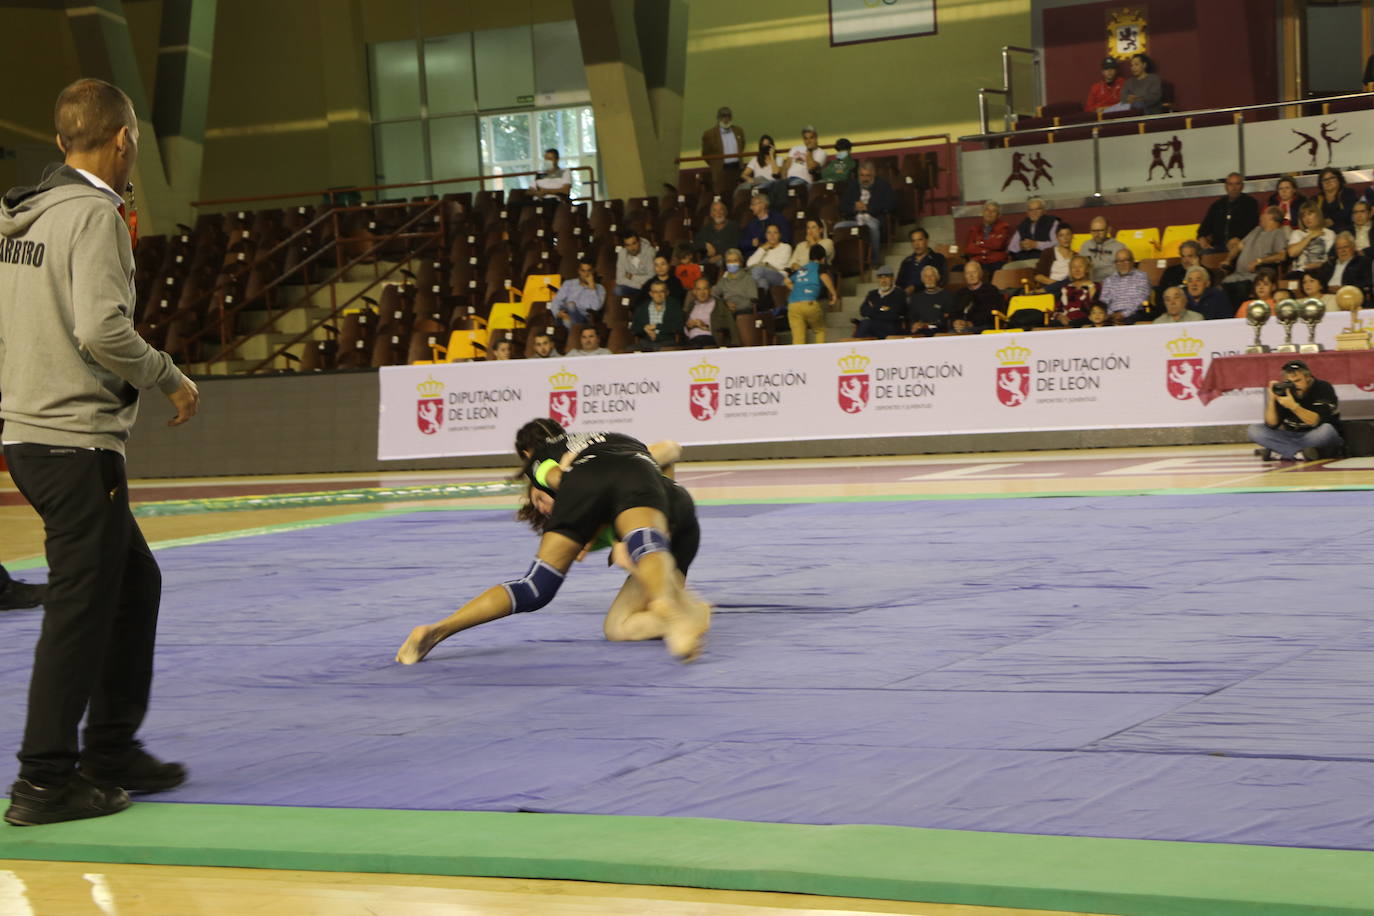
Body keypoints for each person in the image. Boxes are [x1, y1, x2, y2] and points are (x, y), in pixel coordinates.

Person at [0, 78, 201, 827]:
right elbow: (102, 330)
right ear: (124, 141)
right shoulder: (94, 217)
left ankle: (111, 749)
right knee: (80, 611)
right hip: (75, 443)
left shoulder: (22, 216)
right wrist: (171, 379)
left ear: (61, 141)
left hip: (28, 433)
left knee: (132, 585)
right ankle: (45, 780)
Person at [396, 421, 708, 664]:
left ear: (528, 457)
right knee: (645, 544)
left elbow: (559, 479)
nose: (544, 507)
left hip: (592, 481)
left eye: (539, 499)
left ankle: (438, 631)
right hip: (637, 474)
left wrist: (568, 479)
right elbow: (666, 452)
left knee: (536, 586)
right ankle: (669, 605)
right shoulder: (616, 439)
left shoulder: (541, 463)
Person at [515, 443, 706, 646]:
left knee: (618, 626)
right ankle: (681, 610)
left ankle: (683, 611)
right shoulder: (573, 521)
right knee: (623, 622)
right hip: (671, 531)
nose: (543, 508)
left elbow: (670, 448)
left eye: (540, 498)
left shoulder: (594, 483)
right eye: (537, 507)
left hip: (668, 527)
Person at [1249, 360, 1343, 461]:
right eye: (1290, 382)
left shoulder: (1323, 387)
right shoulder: (1285, 390)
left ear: (1308, 377)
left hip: (1315, 433)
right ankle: (1301, 454)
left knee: (1326, 430)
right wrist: (1272, 399)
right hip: (1291, 435)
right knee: (1255, 430)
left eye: (1298, 381)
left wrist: (1293, 406)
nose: (1294, 385)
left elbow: (1315, 421)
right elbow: (1271, 424)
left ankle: (1279, 452)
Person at [1220, 206, 1289, 306]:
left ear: (1271, 217)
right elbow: (1239, 247)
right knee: (1221, 290)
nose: (1260, 216)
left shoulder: (1278, 233)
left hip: (1256, 276)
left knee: (1241, 288)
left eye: (1263, 214)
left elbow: (1282, 256)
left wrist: (1259, 261)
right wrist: (1228, 259)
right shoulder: (1257, 230)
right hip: (1238, 274)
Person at [834, 161, 894, 268]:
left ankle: (874, 260)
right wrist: (854, 207)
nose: (864, 179)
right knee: (837, 227)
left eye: (868, 176)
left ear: (873, 175)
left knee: (872, 227)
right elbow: (842, 206)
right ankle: (840, 263)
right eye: (862, 175)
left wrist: (868, 207)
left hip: (873, 218)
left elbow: (890, 204)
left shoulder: (882, 185)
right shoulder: (853, 185)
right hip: (855, 219)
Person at [783, 243, 836, 345]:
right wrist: (833, 293)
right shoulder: (820, 267)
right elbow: (824, 277)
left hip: (793, 305)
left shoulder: (802, 269)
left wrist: (797, 289)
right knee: (819, 330)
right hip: (809, 303)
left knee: (798, 337)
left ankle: (799, 360)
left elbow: (786, 281)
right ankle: (819, 356)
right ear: (823, 259)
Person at [1197, 173, 1259, 254]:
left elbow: (1253, 227)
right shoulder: (1217, 205)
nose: (1233, 188)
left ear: (1242, 186)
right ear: (1225, 186)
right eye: (1230, 184)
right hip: (1217, 246)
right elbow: (1204, 227)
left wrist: (1239, 238)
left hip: (1241, 245)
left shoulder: (1250, 203)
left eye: (1237, 184)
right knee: (1199, 253)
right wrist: (1202, 237)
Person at [775, 126, 826, 207]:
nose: (808, 141)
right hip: (788, 179)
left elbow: (811, 167)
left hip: (803, 181)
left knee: (793, 186)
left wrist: (809, 151)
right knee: (767, 186)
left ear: (816, 138)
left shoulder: (821, 152)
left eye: (811, 138)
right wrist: (784, 180)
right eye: (806, 138)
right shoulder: (795, 148)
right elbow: (786, 167)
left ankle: (783, 207)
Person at [701, 106, 745, 196]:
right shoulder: (709, 134)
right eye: (723, 116)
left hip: (737, 168)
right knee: (722, 195)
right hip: (720, 170)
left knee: (739, 194)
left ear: (731, 118)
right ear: (718, 118)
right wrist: (715, 164)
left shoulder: (739, 131)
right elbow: (705, 154)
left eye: (728, 116)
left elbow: (742, 146)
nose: (726, 119)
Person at [1287, 200, 1337, 279]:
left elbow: (1332, 257)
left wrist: (1320, 264)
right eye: (1303, 216)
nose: (1307, 218)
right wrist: (1309, 237)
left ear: (1318, 215)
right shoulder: (1297, 233)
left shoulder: (1330, 234)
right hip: (1299, 272)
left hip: (1321, 271)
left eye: (1309, 214)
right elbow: (1292, 253)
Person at [1098, 249, 1152, 322]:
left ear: (1133, 261)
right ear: (1115, 264)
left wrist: (1123, 314)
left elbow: (1141, 300)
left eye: (1126, 260)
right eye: (1119, 261)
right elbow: (1104, 301)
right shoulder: (1108, 280)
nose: (1122, 264)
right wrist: (1110, 314)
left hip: (1134, 314)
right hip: (1111, 315)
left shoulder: (1141, 276)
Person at [549, 258, 604, 330]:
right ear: (579, 271)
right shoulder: (568, 284)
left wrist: (592, 287)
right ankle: (570, 332)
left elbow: (595, 308)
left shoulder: (600, 289)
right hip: (564, 314)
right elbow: (556, 301)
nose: (586, 274)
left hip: (583, 318)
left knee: (570, 305)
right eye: (583, 271)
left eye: (589, 271)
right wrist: (558, 313)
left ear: (593, 271)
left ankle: (571, 332)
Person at [630, 279, 684, 352]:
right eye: (655, 292)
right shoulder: (642, 307)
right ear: (650, 294)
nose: (659, 295)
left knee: (656, 350)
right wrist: (645, 328)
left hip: (666, 343)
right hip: (645, 343)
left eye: (662, 291)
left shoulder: (674, 306)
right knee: (628, 352)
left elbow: (679, 327)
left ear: (667, 293)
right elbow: (634, 329)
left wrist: (656, 326)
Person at [855, 265, 906, 339]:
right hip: (873, 328)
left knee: (866, 324)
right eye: (880, 277)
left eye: (886, 277)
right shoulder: (872, 294)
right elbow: (863, 311)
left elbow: (893, 314)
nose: (883, 280)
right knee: (866, 330)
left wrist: (874, 309)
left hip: (891, 327)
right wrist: (881, 309)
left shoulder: (899, 294)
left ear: (892, 279)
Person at [682, 276, 734, 348]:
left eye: (705, 289)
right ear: (694, 291)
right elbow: (684, 331)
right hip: (692, 340)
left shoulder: (719, 305)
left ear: (710, 290)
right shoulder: (691, 306)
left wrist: (705, 326)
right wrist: (688, 327)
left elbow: (728, 325)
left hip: (710, 338)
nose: (702, 293)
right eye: (698, 289)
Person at [952, 261, 1002, 333]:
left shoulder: (991, 290)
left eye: (974, 272)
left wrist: (971, 323)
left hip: (984, 326)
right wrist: (956, 322)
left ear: (980, 273)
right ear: (964, 276)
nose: (971, 275)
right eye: (967, 273)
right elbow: (954, 312)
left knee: (965, 331)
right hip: (962, 327)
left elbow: (990, 314)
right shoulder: (960, 293)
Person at [739, 193, 790, 263]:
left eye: (753, 204)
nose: (750, 207)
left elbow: (785, 238)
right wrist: (751, 243)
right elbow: (742, 243)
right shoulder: (752, 224)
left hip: (775, 254)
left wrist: (769, 244)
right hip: (757, 255)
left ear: (763, 205)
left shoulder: (778, 219)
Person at [712, 248, 759, 323]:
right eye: (729, 261)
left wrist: (736, 306)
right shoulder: (724, 280)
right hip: (726, 311)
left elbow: (753, 301)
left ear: (740, 262)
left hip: (743, 311)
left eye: (735, 261)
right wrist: (725, 305)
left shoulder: (748, 278)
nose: (732, 264)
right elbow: (713, 294)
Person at [963, 201, 1012, 273]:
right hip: (978, 262)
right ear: (983, 212)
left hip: (996, 262)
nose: (990, 213)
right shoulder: (975, 229)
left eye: (993, 211)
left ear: (998, 215)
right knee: (958, 269)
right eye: (987, 210)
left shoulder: (1004, 227)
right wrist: (986, 250)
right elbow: (969, 249)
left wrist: (979, 243)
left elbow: (997, 245)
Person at [896, 228, 947, 293]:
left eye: (920, 240)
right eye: (913, 241)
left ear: (927, 241)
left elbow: (939, 281)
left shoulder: (937, 258)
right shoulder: (907, 261)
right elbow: (899, 283)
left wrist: (914, 288)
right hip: (907, 297)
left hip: (928, 295)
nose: (916, 244)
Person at [1007, 198, 1058, 263]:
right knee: (1006, 268)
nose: (1034, 212)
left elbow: (1057, 244)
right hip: (1024, 260)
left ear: (1044, 210)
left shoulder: (1052, 222)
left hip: (1044, 259)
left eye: (1037, 209)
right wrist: (1020, 246)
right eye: (1031, 210)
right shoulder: (1023, 224)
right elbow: (1011, 247)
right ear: (1027, 213)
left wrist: (1036, 245)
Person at [908, 265, 954, 335]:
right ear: (922, 279)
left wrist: (926, 325)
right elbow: (912, 319)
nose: (929, 279)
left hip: (939, 334)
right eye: (926, 276)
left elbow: (945, 322)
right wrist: (914, 325)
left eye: (932, 276)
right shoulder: (915, 298)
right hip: (919, 334)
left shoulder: (947, 296)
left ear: (937, 278)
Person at [745, 223, 792, 291]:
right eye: (769, 233)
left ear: (779, 235)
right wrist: (762, 249)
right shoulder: (763, 248)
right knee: (762, 282)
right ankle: (760, 300)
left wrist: (763, 265)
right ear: (766, 235)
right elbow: (749, 264)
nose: (772, 235)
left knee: (757, 270)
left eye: (775, 232)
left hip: (779, 276)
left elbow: (779, 265)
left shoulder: (785, 247)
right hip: (762, 274)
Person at [1078, 216, 1127, 281]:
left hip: (1112, 284)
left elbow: (1124, 270)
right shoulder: (1086, 245)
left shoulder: (1119, 247)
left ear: (1108, 230)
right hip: (1090, 284)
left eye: (1100, 231)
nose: (1097, 234)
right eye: (1093, 231)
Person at [694, 199, 740, 266]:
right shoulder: (707, 227)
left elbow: (736, 245)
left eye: (721, 210)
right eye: (714, 210)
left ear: (725, 212)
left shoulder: (733, 226)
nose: (718, 213)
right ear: (711, 214)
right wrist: (706, 245)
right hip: (709, 259)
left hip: (727, 259)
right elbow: (695, 243)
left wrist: (721, 256)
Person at [1054, 255, 1097, 327]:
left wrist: (1091, 290)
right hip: (1065, 323)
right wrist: (1060, 317)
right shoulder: (1066, 289)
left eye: (1080, 267)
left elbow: (1094, 310)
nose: (1077, 270)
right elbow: (1058, 309)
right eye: (1073, 267)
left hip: (1084, 322)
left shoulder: (1095, 286)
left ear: (1087, 269)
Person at [613, 230, 656, 303]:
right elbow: (619, 279)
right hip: (634, 286)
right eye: (628, 245)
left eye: (634, 243)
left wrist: (632, 277)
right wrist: (639, 285)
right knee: (618, 290)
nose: (632, 248)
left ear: (639, 242)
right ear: (624, 246)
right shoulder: (622, 253)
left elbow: (652, 277)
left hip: (648, 286)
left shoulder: (649, 252)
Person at [1034, 223, 1076, 294]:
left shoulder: (1076, 257)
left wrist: (1060, 286)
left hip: (1067, 290)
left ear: (1072, 236)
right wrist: (1057, 285)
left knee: (1069, 280)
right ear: (1057, 238)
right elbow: (1038, 276)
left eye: (1068, 234)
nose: (1065, 238)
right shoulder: (1048, 252)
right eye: (1061, 235)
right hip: (1050, 289)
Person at [1315, 167, 1358, 234]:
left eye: (1332, 178)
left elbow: (1349, 212)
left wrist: (1332, 219)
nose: (1328, 181)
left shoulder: (1348, 193)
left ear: (1339, 179)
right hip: (1322, 233)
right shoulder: (1316, 198)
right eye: (1324, 179)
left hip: (1345, 231)